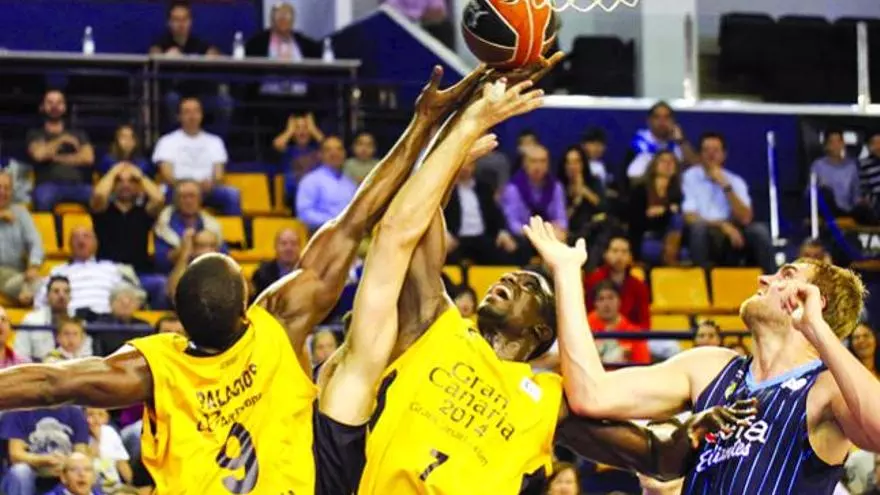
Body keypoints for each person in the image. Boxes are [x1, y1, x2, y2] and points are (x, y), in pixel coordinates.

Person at [0, 64, 486, 493]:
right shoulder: (277, 324)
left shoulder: (155, 368)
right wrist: (424, 123)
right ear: (245, 303)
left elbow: (48, 382)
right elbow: (356, 218)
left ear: (178, 319)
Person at [319, 63, 755, 494]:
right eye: (513, 277)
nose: (510, 279)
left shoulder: (549, 400)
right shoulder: (436, 323)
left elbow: (652, 453)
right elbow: (409, 226)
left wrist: (690, 430)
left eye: (529, 286)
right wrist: (453, 138)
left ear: (541, 331)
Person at [546, 225, 875, 493]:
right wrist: (567, 272)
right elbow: (591, 394)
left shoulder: (825, 387)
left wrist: (817, 328)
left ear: (816, 300)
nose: (764, 279)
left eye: (785, 276)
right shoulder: (710, 367)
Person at [682, 132, 775, 273]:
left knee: (759, 231)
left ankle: (771, 280)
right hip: (706, 230)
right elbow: (689, 217)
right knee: (698, 229)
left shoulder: (735, 181)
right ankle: (703, 280)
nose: (711, 155)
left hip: (733, 232)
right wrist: (723, 225)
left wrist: (726, 186)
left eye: (716, 150)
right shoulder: (689, 177)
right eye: (706, 150)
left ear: (724, 155)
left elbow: (745, 218)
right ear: (700, 154)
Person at [90, 162, 165, 308]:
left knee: (161, 284)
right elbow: (99, 194)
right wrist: (113, 171)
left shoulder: (144, 211)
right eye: (120, 181)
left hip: (139, 273)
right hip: (107, 273)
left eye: (132, 181)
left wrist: (140, 175)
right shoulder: (103, 210)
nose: (125, 185)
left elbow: (159, 199)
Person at [153, 97, 240, 216]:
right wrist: (187, 186)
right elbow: (167, 174)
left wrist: (212, 183)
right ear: (179, 116)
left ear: (201, 115)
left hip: (207, 189)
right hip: (177, 189)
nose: (192, 116)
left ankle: (233, 227)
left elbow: (219, 174)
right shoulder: (167, 141)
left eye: (196, 111)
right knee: (163, 193)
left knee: (232, 194)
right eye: (187, 112)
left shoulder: (215, 141)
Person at [26, 89, 95, 211]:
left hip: (77, 186)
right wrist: (61, 139)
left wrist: (54, 157)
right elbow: (39, 155)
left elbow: (88, 158)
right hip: (48, 186)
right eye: (50, 102)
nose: (54, 106)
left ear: (64, 107)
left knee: (100, 197)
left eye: (59, 102)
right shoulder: (35, 134)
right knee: (43, 198)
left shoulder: (78, 134)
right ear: (42, 107)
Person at [0, 405, 90, 495]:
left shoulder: (75, 414)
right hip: (31, 470)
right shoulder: (18, 411)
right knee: (20, 471)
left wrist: (65, 464)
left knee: (87, 470)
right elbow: (15, 455)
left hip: (63, 469)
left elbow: (81, 455)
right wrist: (44, 461)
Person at [444, 157, 517, 265]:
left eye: (470, 164)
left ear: (474, 166)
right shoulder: (445, 190)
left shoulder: (484, 188)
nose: (465, 168)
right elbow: (440, 215)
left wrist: (502, 232)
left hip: (482, 239)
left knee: (511, 250)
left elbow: (495, 214)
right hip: (456, 239)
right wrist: (445, 233)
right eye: (463, 165)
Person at [628, 150, 683, 265]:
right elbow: (636, 223)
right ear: (654, 165)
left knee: (685, 252)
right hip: (647, 237)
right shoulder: (640, 190)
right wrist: (668, 211)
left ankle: (670, 255)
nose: (667, 164)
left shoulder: (678, 193)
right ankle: (670, 259)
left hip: (670, 239)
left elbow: (677, 222)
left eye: (671, 162)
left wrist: (662, 211)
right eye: (663, 161)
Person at [583, 236, 650, 330]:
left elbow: (644, 324)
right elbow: (584, 314)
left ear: (630, 257)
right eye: (615, 251)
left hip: (629, 335)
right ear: (606, 254)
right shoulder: (592, 281)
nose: (619, 256)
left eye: (624, 252)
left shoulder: (639, 286)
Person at [296, 136, 358, 232]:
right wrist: (334, 222)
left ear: (345, 154)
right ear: (320, 155)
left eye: (339, 149)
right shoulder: (310, 180)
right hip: (320, 234)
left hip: (349, 233)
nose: (334, 153)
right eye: (328, 150)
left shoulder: (350, 184)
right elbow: (304, 214)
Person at [0, 171, 44, 305]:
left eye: (6, 188)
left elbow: (36, 243)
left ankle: (25, 291)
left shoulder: (21, 214)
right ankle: (25, 291)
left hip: (15, 273)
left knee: (43, 285)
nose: (2, 192)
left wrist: (34, 266)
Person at [810, 130, 872, 223]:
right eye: (832, 142)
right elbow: (810, 192)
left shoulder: (851, 166)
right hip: (826, 210)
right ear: (826, 146)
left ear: (843, 144)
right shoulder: (818, 165)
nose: (836, 146)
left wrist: (862, 202)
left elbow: (856, 193)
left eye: (839, 141)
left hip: (847, 211)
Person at [626, 101, 698, 181]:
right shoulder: (638, 143)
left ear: (673, 121)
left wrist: (681, 142)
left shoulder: (679, 144)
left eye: (666, 117)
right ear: (649, 121)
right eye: (657, 117)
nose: (662, 121)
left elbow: (697, 169)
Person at [588, 281, 650, 365]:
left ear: (619, 301)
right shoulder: (584, 329)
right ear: (595, 304)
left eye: (611, 298)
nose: (606, 304)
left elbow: (643, 365)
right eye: (601, 299)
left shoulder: (634, 333)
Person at [17, 276, 73, 362]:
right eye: (56, 291)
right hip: (38, 369)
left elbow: (85, 358)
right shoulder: (30, 320)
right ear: (47, 296)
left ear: (70, 297)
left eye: (66, 291)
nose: (62, 295)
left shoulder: (80, 322)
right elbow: (21, 356)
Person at [85, 407, 133, 492]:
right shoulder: (81, 434)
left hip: (115, 486)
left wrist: (132, 486)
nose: (96, 418)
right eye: (90, 414)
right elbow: (88, 463)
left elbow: (121, 463)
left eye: (100, 415)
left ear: (106, 418)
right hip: (92, 487)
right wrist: (97, 439)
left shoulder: (110, 432)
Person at [251, 228, 301, 296]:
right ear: (275, 247)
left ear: (300, 247)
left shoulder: (308, 274)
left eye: (294, 244)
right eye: (283, 244)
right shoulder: (261, 275)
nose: (289, 248)